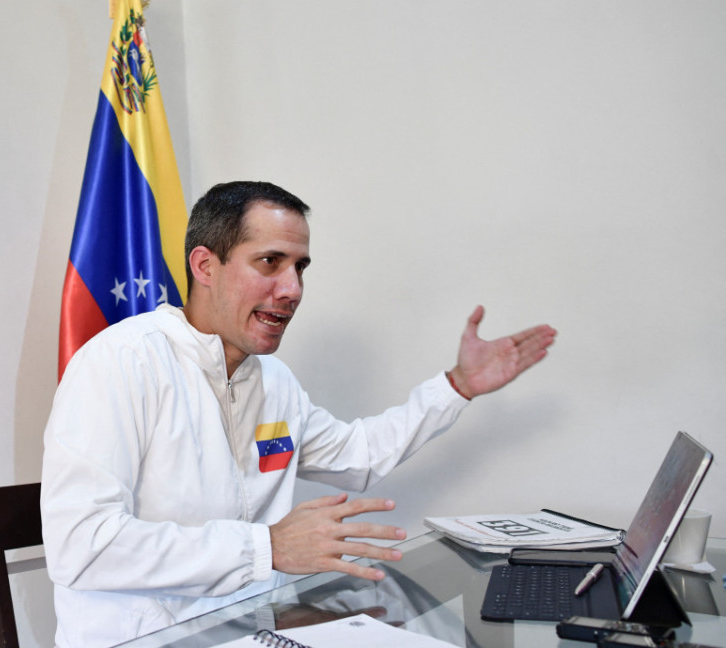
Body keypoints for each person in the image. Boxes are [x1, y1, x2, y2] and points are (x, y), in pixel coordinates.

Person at [40, 180, 557, 647]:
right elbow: (81, 546)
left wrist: (457, 387)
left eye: (300, 267)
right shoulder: (120, 363)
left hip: (259, 630)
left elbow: (359, 457)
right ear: (205, 266)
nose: (292, 289)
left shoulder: (272, 380)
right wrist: (266, 547)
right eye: (270, 262)